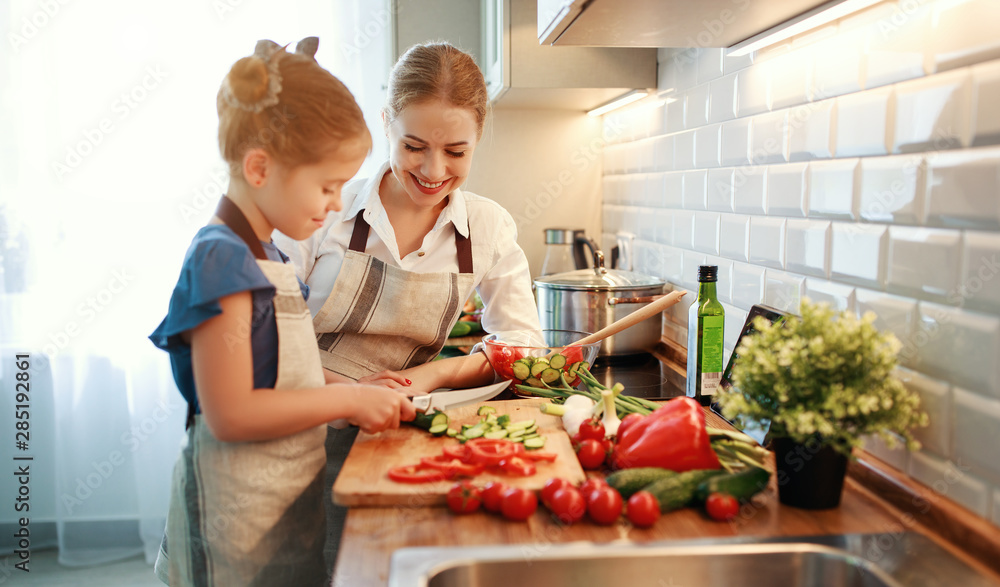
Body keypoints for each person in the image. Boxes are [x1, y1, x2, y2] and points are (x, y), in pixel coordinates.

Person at [149, 38, 415, 586]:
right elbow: (232, 413)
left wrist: (358, 385)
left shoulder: (266, 253)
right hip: (235, 526)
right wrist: (344, 398)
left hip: (281, 510)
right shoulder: (221, 259)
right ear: (259, 167)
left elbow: (278, 369)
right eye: (327, 185)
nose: (338, 203)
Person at [273, 41, 541, 564]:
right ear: (386, 124)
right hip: (292, 437)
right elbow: (266, 340)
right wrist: (350, 393)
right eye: (414, 145)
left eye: (457, 152)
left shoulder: (487, 227)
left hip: (397, 445)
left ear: (478, 139)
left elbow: (524, 344)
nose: (434, 169)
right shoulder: (323, 207)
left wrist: (435, 377)